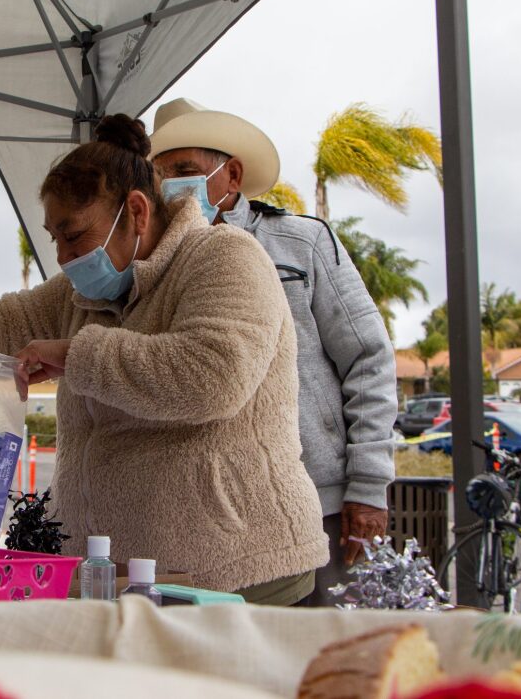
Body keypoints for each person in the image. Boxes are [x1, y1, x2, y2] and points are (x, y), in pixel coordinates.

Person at [0, 114, 327, 604]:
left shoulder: (226, 256)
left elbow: (212, 376)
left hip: (239, 573)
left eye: (75, 235)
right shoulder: (78, 293)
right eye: (54, 239)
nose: (63, 257)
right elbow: (5, 322)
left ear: (138, 212)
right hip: (124, 579)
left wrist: (76, 356)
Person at [149, 98, 397, 606]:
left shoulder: (300, 242)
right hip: (200, 509)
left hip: (316, 496)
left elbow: (368, 358)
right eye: (159, 174)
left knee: (319, 657)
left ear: (232, 174)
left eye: (185, 170)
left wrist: (368, 486)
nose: (170, 185)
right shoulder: (151, 262)